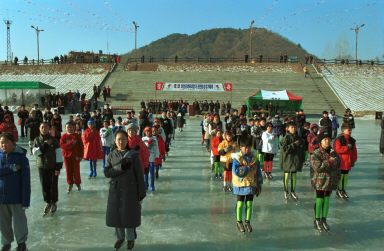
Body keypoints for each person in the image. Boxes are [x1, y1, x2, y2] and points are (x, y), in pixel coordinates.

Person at [104, 130, 146, 250]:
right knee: (117, 217)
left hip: (130, 190)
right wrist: (120, 167)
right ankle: (120, 237)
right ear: (115, 141)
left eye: (123, 139)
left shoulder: (133, 155)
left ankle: (131, 238)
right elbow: (107, 172)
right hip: (116, 190)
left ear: (127, 140)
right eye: (119, 139)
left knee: (130, 216)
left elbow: (139, 175)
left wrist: (141, 195)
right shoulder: (111, 155)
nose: (121, 142)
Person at [0, 133, 30, 251]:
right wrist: (12, 168)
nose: (4, 145)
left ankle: (21, 243)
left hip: (16, 197)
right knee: (3, 223)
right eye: (2, 142)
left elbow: (26, 181)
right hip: (1, 198)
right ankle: (6, 243)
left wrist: (25, 200)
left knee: (19, 222)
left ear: (13, 143)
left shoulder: (21, 158)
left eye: (7, 142)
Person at [310, 132, 340, 232]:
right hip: (320, 180)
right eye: (325, 139)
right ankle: (317, 219)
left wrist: (337, 178)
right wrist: (329, 162)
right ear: (321, 141)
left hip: (330, 180)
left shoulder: (333, 152)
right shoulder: (316, 153)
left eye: (328, 139)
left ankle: (324, 219)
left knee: (326, 200)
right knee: (320, 200)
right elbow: (317, 167)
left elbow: (337, 166)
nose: (327, 141)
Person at [232, 137, 262, 233]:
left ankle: (247, 221)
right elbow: (237, 171)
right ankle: (239, 221)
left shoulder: (254, 159)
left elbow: (258, 172)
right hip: (240, 184)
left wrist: (259, 184)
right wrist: (247, 168)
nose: (247, 149)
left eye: (249, 147)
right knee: (240, 204)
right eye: (245, 147)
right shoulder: (237, 158)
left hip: (251, 184)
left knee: (249, 204)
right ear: (240, 147)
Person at [32, 122, 63, 215]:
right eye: (42, 127)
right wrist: (45, 145)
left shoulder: (54, 140)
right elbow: (35, 153)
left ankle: (53, 202)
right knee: (44, 186)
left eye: (46, 127)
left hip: (53, 167)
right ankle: (48, 202)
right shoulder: (37, 140)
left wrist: (58, 167)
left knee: (53, 186)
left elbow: (59, 155)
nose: (44, 129)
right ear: (39, 128)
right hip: (42, 167)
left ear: (49, 129)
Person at [279, 122, 305, 201]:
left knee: (294, 176)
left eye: (295, 127)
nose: (294, 129)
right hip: (287, 160)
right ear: (288, 129)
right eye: (292, 127)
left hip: (295, 160)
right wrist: (293, 144)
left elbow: (302, 149)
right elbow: (284, 149)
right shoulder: (285, 138)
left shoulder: (299, 138)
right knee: (286, 175)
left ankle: (292, 191)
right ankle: (286, 191)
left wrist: (302, 159)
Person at [333, 123, 357, 199]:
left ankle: (343, 189)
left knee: (345, 176)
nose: (350, 131)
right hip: (341, 161)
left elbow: (354, 151)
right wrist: (346, 147)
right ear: (343, 130)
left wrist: (353, 160)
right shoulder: (339, 139)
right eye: (348, 130)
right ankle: (339, 190)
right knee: (341, 176)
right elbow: (337, 149)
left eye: (350, 130)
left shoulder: (352, 140)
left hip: (348, 162)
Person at [60, 123, 84, 193]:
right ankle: (70, 183)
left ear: (74, 128)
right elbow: (62, 146)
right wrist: (71, 143)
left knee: (76, 171)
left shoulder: (77, 136)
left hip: (75, 156)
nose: (69, 129)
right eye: (68, 127)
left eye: (71, 127)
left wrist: (80, 156)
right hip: (67, 156)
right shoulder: (63, 136)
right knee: (68, 171)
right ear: (65, 128)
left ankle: (77, 183)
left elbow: (81, 147)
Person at [142, 127, 159, 191]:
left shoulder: (154, 139)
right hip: (145, 159)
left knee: (152, 173)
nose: (148, 132)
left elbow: (157, 148)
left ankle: (152, 185)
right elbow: (142, 148)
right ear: (145, 132)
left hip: (152, 158)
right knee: (145, 173)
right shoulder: (143, 139)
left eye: (149, 131)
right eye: (147, 131)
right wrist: (148, 143)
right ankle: (146, 185)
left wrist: (157, 157)